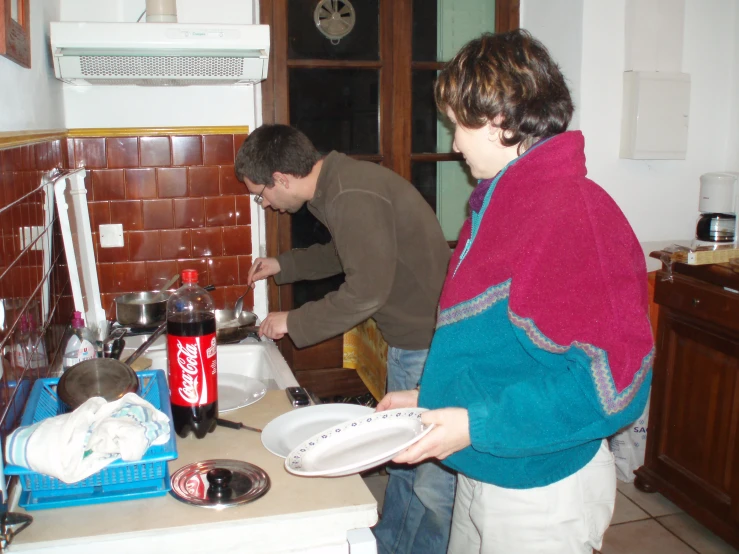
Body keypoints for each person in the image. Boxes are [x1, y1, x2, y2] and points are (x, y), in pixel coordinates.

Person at [376, 29, 655, 554]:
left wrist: (474, 423)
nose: (453, 142)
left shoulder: (575, 213)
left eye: (459, 125)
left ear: (501, 121)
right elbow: (505, 352)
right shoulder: (502, 205)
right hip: (489, 463)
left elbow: (615, 386)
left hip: (544, 487)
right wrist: (430, 402)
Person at [234, 124, 456, 554]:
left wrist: (293, 322)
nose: (266, 205)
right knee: (406, 468)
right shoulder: (337, 185)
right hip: (415, 339)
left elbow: (366, 290)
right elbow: (350, 252)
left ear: (281, 178)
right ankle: (389, 545)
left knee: (431, 485)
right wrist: (283, 264)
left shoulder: (350, 194)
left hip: (427, 344)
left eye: (260, 195)